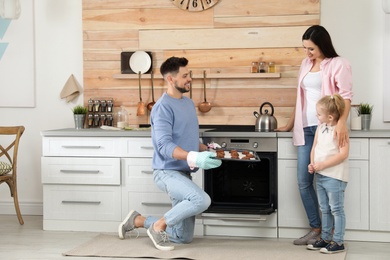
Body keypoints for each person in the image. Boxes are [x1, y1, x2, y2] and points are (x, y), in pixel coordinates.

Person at [118, 57, 222, 251]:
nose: (189, 78)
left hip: (183, 174)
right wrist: (192, 157)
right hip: (166, 172)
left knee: (183, 238)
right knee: (201, 200)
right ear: (170, 79)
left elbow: (187, 140)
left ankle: (139, 220)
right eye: (185, 75)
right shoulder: (162, 108)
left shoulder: (189, 104)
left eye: (189, 74)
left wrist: (205, 149)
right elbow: (164, 145)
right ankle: (159, 226)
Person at [275, 25, 353, 245]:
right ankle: (316, 228)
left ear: (322, 45)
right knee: (304, 180)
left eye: (311, 49)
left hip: (327, 129)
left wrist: (341, 124)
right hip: (306, 129)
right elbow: (300, 97)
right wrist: (290, 124)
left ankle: (331, 235)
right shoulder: (305, 64)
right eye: (305, 48)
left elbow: (345, 97)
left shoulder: (339, 64)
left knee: (327, 180)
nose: (307, 53)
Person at [306, 94, 349, 254]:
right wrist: (312, 163)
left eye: (319, 114)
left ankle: (338, 241)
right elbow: (315, 148)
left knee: (336, 209)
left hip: (335, 176)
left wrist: (322, 164)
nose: (317, 116)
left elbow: (343, 154)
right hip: (321, 175)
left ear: (329, 116)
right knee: (324, 208)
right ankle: (325, 238)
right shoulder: (320, 128)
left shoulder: (340, 131)